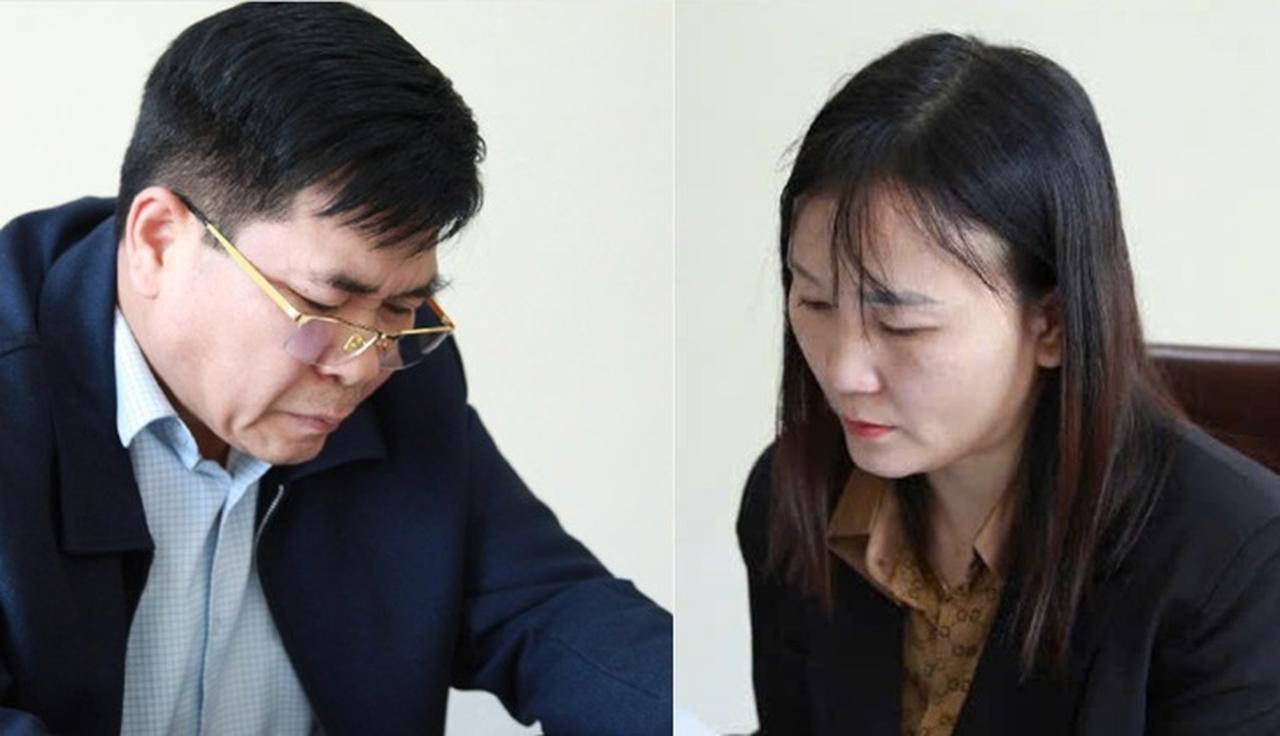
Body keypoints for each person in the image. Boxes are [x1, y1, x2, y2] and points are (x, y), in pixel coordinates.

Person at [0, 3, 670, 734]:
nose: (364, 365)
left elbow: (557, 614)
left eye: (402, 307)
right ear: (158, 241)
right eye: (322, 304)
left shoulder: (403, 379)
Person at [737, 32, 1280, 735]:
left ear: (1052, 322)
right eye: (813, 301)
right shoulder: (794, 495)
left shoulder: (1236, 562)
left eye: (901, 325)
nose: (842, 371)